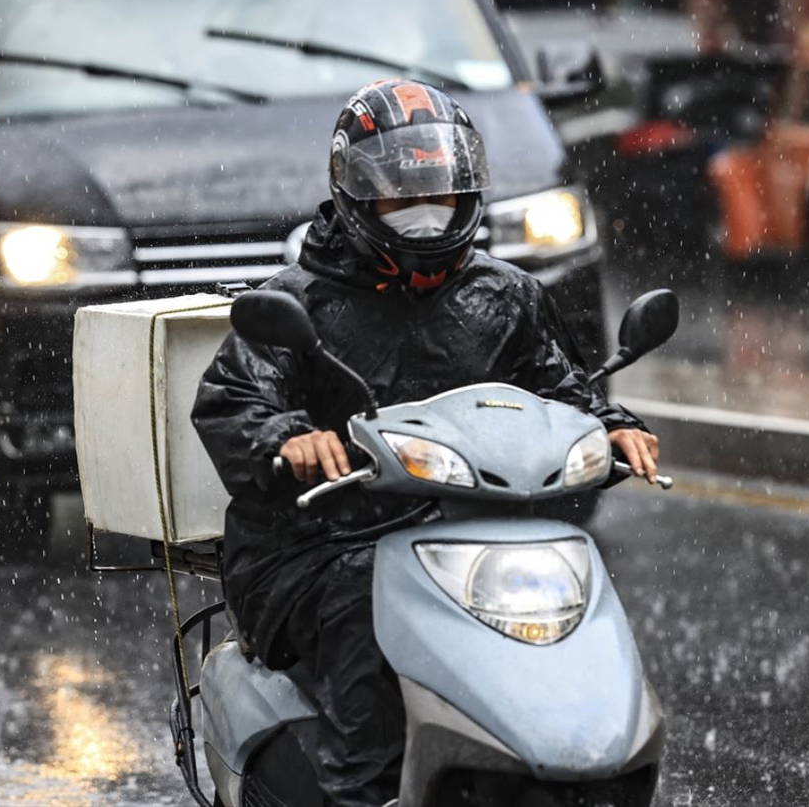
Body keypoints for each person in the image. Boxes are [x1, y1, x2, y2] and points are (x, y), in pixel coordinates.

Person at [191, 79, 660, 807]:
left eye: (438, 194)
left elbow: (563, 389)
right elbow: (232, 398)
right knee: (359, 597)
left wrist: (615, 424)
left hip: (470, 538)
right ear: (355, 194)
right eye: (400, 197)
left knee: (569, 583)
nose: (423, 214)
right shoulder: (297, 303)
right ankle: (363, 791)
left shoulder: (505, 297)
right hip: (313, 547)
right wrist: (289, 436)